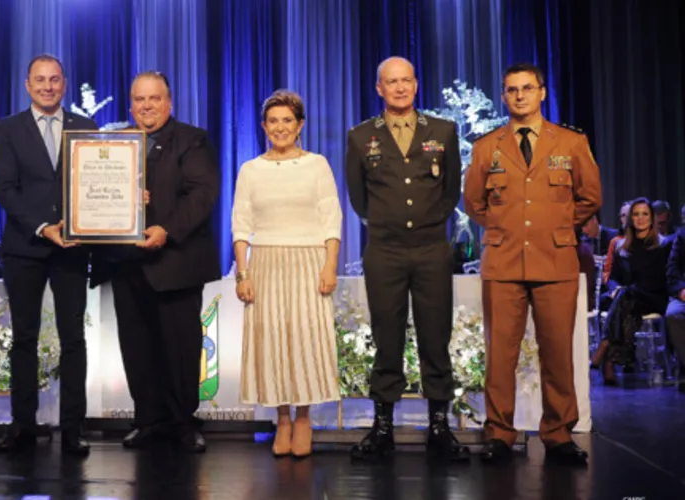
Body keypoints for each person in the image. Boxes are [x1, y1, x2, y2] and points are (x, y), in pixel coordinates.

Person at [463, 63, 602, 465]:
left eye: (527, 88)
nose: (519, 95)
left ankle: (559, 434)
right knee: (500, 354)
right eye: (511, 90)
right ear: (504, 96)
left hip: (555, 259)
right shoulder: (487, 146)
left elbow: (590, 197)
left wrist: (554, 225)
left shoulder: (571, 143)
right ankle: (500, 433)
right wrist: (508, 227)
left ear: (542, 92)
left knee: (558, 352)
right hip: (504, 260)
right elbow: (474, 202)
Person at [344, 56, 466, 461]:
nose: (399, 88)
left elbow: (450, 193)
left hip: (432, 249)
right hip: (385, 249)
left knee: (436, 338)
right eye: (391, 82)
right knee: (386, 338)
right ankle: (382, 428)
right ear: (379, 88)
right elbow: (359, 198)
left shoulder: (443, 130)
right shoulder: (361, 136)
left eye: (406, 81)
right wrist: (389, 224)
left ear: (416, 85)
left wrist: (427, 225)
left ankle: (439, 426)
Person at [92, 71, 221, 453]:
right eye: (139, 100)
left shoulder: (192, 140)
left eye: (154, 99)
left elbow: (201, 194)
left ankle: (183, 422)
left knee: (181, 349)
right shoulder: (114, 143)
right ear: (130, 105)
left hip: (175, 262)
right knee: (136, 346)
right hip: (126, 262)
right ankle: (147, 420)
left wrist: (167, 228)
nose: (146, 106)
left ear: (169, 102)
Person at [0, 55, 98, 455]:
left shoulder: (86, 128)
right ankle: (22, 425)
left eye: (54, 80)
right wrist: (43, 227)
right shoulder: (8, 129)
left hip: (72, 248)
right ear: (27, 84)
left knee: (74, 340)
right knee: (24, 339)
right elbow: (5, 189)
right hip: (25, 247)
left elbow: (97, 184)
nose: (48, 86)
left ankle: (73, 429)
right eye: (40, 80)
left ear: (65, 84)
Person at [231, 90, 342, 458]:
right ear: (264, 126)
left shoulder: (317, 164)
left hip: (308, 260)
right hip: (265, 263)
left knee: (306, 338)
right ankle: (281, 418)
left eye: (288, 121)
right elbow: (241, 225)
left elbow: (332, 218)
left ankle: (304, 418)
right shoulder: (251, 169)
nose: (281, 128)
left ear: (300, 126)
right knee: (272, 341)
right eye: (274, 121)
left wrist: (330, 265)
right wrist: (243, 274)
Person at [592, 198, 672, 385]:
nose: (640, 218)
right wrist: (615, 289)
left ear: (652, 218)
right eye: (636, 214)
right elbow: (613, 277)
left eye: (644, 214)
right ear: (630, 219)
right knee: (625, 300)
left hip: (655, 296)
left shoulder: (664, 245)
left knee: (627, 297)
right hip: (630, 300)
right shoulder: (622, 248)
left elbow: (661, 280)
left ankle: (605, 349)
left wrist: (624, 292)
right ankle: (610, 357)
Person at [665, 220, 685, 393]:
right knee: (673, 315)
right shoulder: (682, 236)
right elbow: (672, 269)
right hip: (684, 294)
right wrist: (681, 291)